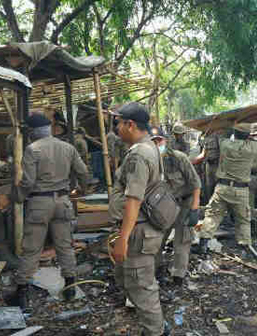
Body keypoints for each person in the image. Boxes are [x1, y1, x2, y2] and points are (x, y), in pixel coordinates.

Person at [0, 113, 89, 310]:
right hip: (63, 202)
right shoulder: (68, 147)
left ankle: (21, 294)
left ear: (32, 132)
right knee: (65, 245)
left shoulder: (32, 149)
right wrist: (83, 189)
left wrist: (13, 198)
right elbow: (83, 173)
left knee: (32, 249)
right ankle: (70, 288)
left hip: (40, 203)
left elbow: (27, 183)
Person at [108, 103, 169, 336]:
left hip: (138, 231)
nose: (117, 128)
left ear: (130, 125)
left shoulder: (139, 154)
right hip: (140, 228)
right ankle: (156, 327)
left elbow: (134, 199)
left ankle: (156, 331)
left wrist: (122, 239)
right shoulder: (148, 147)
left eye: (119, 123)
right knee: (129, 280)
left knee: (142, 286)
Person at [195, 108, 257, 254]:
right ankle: (244, 246)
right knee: (243, 219)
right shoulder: (253, 147)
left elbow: (223, 133)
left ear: (235, 133)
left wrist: (233, 123)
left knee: (213, 214)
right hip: (241, 190)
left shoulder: (225, 144)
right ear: (248, 135)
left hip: (222, 188)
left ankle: (203, 243)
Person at [150, 126, 201, 287]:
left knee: (182, 242)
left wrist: (194, 209)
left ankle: (178, 276)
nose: (157, 144)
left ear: (165, 140)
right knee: (157, 240)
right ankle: (158, 270)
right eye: (153, 141)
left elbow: (195, 184)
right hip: (164, 207)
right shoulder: (149, 161)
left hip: (184, 203)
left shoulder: (179, 158)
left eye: (159, 140)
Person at [192, 130, 221, 204]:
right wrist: (191, 162)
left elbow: (223, 152)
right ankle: (208, 205)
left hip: (217, 166)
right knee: (208, 188)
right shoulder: (203, 135)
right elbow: (203, 153)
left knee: (217, 188)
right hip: (207, 165)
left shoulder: (218, 134)